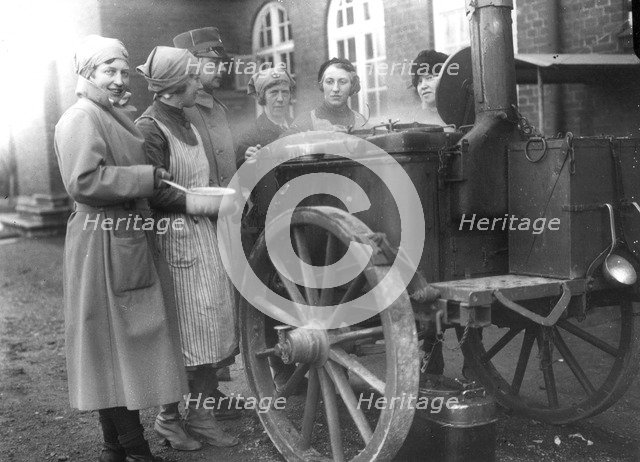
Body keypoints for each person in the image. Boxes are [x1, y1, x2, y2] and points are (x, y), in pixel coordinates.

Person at [54, 35, 186, 462]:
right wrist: (146, 178)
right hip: (101, 241)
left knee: (113, 346)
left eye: (123, 71)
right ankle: (135, 449)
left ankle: (116, 446)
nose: (118, 79)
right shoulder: (80, 118)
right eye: (108, 70)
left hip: (121, 237)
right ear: (87, 74)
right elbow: (84, 182)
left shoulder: (108, 114)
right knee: (110, 345)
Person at [136, 46, 240, 450]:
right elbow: (152, 189)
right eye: (194, 78)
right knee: (186, 333)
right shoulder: (150, 128)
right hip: (176, 239)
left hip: (204, 234)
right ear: (174, 87)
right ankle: (169, 419)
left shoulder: (186, 119)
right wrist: (195, 202)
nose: (200, 83)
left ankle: (200, 415)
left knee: (211, 327)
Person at [172, 26, 238, 386]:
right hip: (198, 216)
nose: (220, 69)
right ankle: (202, 393)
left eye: (220, 63)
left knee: (219, 300)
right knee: (201, 305)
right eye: (211, 63)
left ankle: (214, 387)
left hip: (222, 214)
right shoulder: (186, 109)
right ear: (191, 64)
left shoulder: (216, 107)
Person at [288, 57, 367, 132]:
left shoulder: (360, 120)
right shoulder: (306, 120)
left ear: (352, 85)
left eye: (342, 82)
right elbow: (280, 143)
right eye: (329, 82)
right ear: (322, 85)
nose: (335, 89)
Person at [410, 49, 450, 126]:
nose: (423, 86)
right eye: (419, 82)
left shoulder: (462, 115)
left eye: (429, 78)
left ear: (445, 79)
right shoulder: (415, 120)